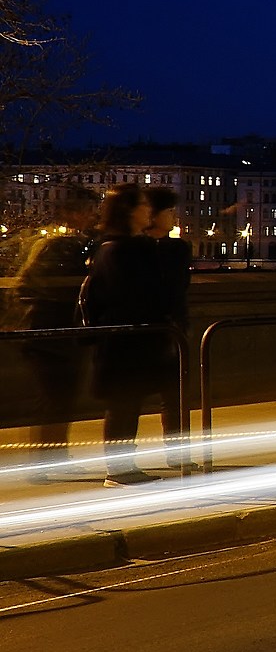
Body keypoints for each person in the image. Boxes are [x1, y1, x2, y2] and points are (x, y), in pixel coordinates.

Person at [80, 183, 175, 483]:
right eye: (143, 205)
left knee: (126, 404)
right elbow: (137, 296)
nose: (149, 210)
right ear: (129, 211)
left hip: (123, 342)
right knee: (123, 405)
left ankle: (122, 467)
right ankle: (119, 470)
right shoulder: (123, 251)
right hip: (125, 343)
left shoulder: (113, 248)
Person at [20, 186, 101, 473]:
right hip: (50, 331)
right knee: (56, 397)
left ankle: (52, 457)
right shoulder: (60, 247)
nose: (94, 218)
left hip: (52, 330)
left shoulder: (60, 244)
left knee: (58, 397)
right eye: (90, 212)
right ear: (73, 213)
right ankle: (47, 461)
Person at [143, 186, 195, 460]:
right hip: (169, 327)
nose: (175, 216)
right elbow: (178, 287)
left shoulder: (134, 249)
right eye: (170, 211)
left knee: (135, 398)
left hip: (156, 327)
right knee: (174, 395)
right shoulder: (176, 250)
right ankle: (177, 453)